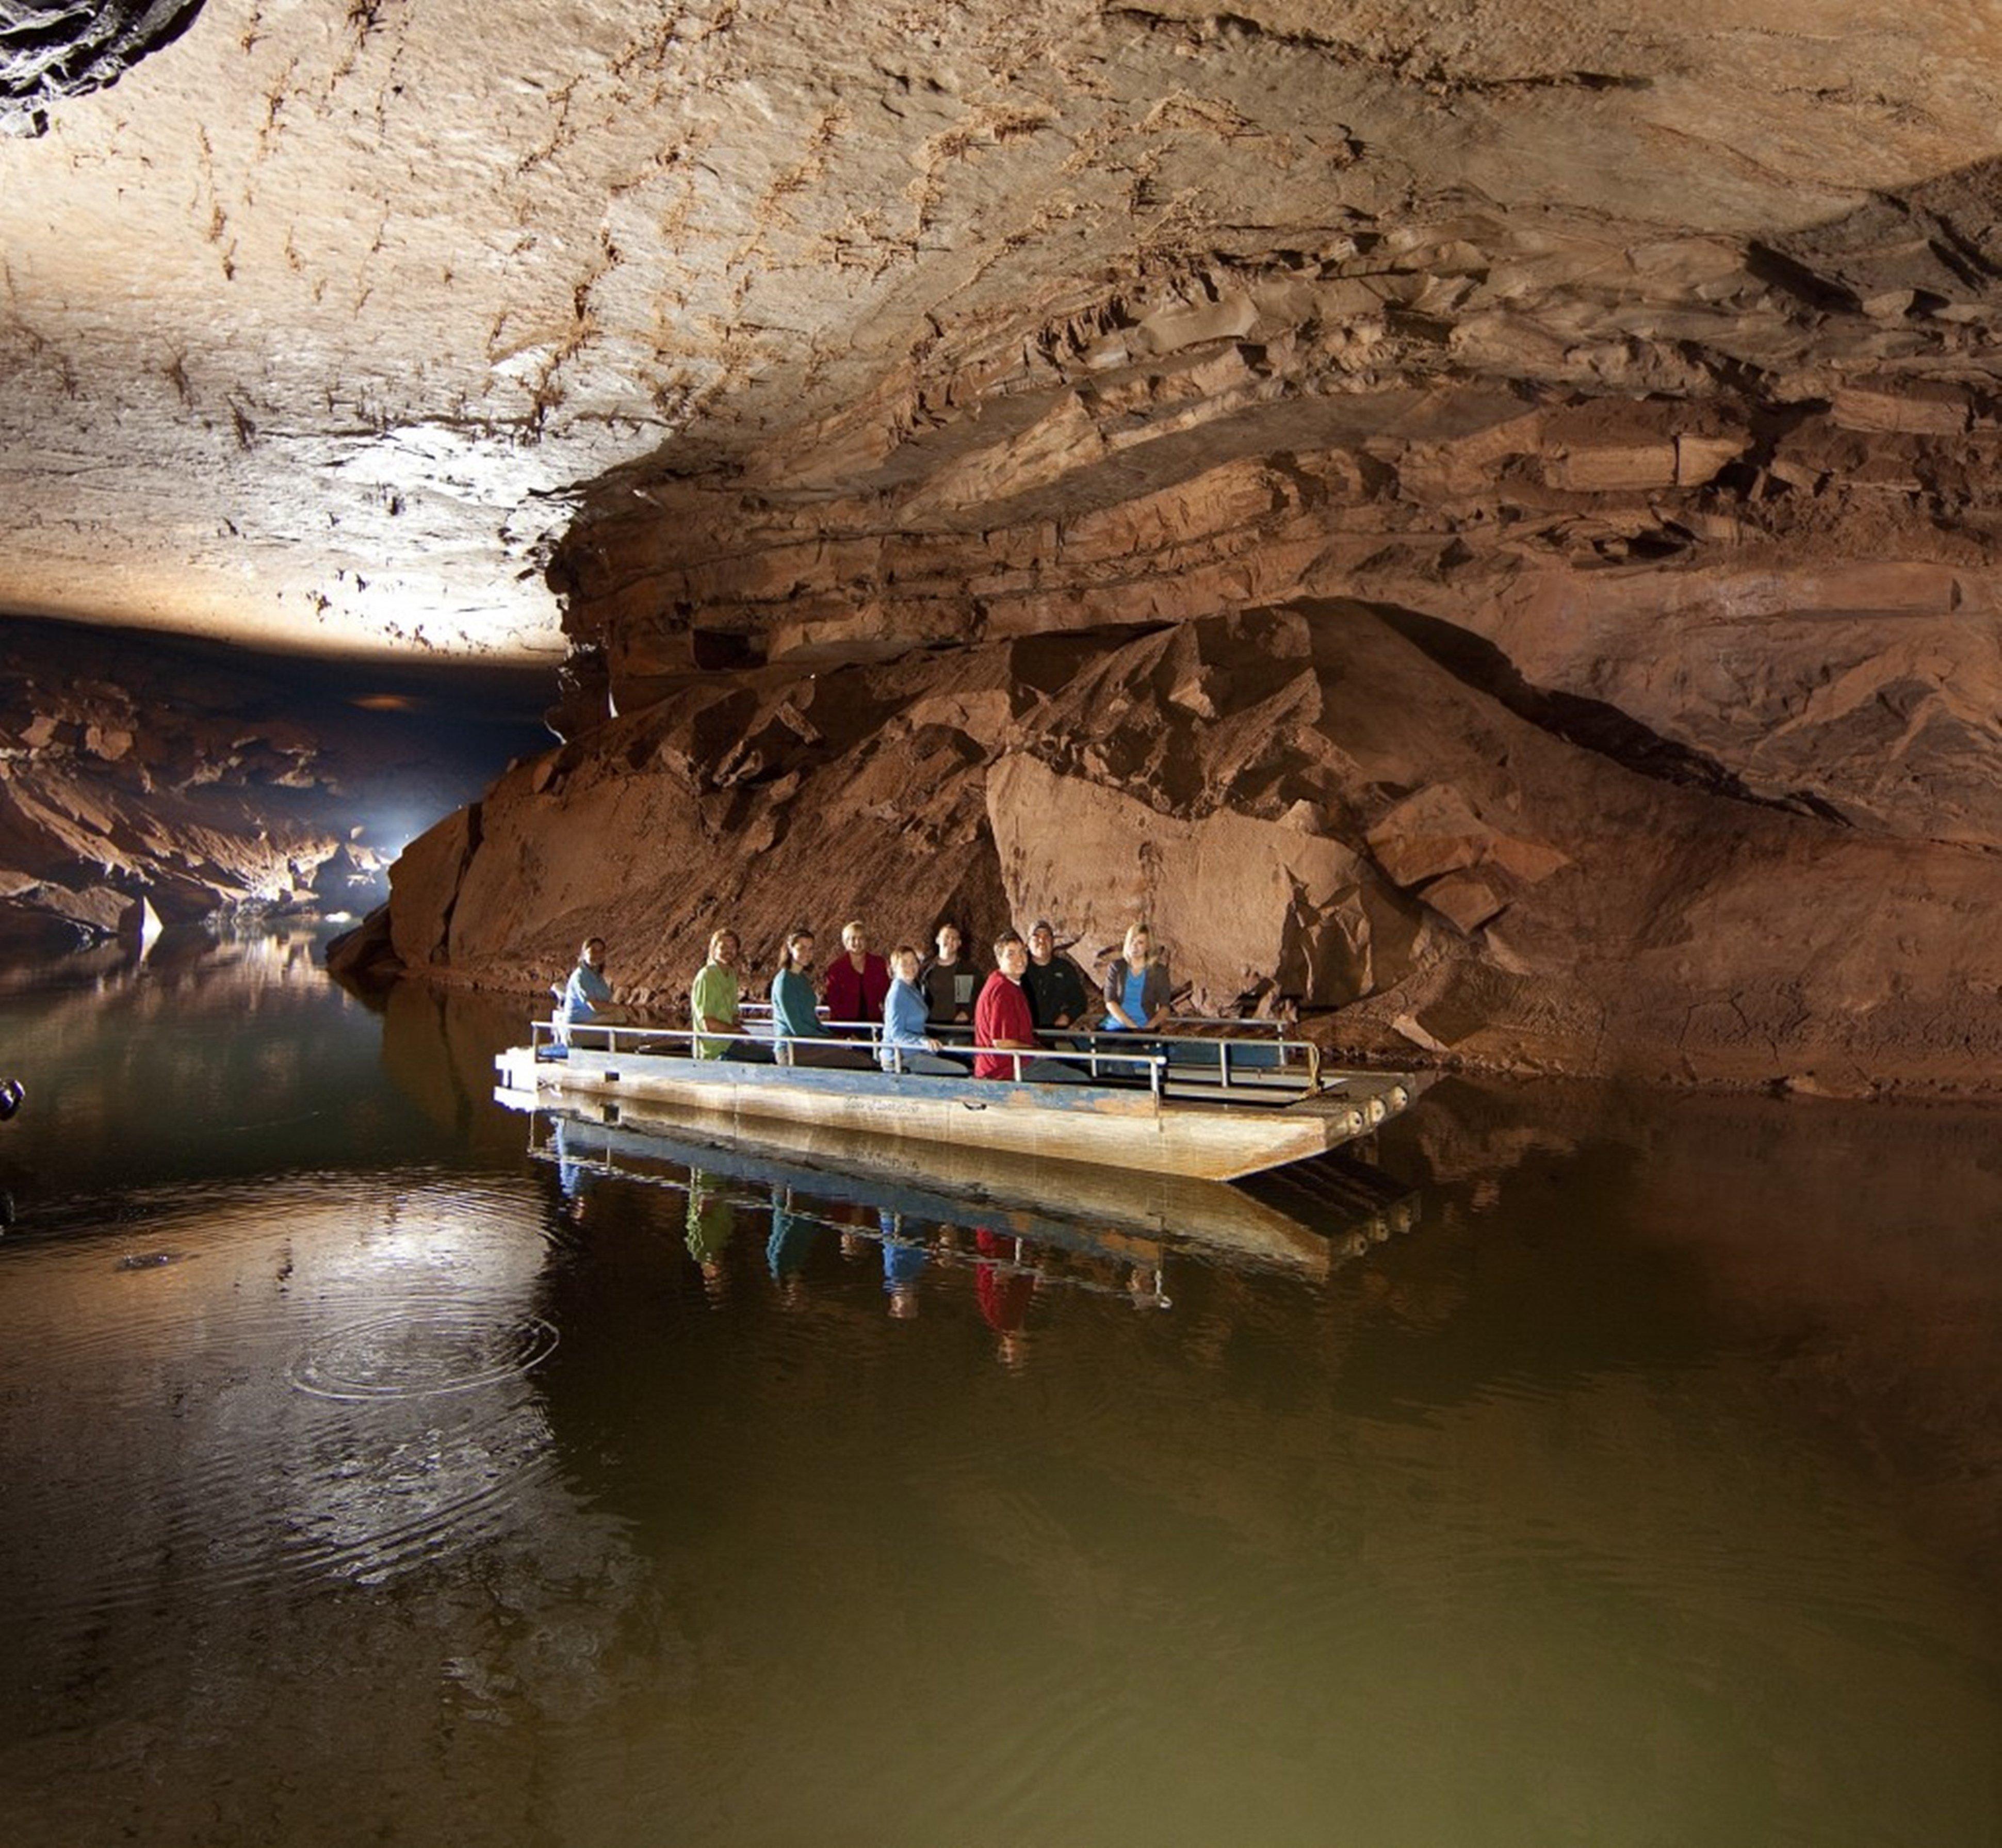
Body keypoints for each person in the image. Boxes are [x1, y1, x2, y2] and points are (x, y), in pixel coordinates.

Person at [973, 931, 1085, 1082]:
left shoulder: (1010, 984)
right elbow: (1003, 1042)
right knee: (1079, 1080)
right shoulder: (1002, 991)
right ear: (999, 959)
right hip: (1007, 1069)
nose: (1020, 959)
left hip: (1016, 1062)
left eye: (1022, 952)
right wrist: (1039, 1051)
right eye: (1011, 954)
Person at [771, 928, 869, 1068]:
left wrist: (836, 1037)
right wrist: (833, 1040)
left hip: (809, 1044)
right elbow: (798, 1027)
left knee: (861, 1054)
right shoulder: (784, 982)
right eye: (802, 948)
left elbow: (812, 1020)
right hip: (792, 1048)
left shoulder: (802, 979)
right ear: (790, 949)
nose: (807, 953)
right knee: (859, 1061)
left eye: (811, 949)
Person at [881, 944, 969, 1075]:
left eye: (913, 962)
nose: (910, 967)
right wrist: (924, 1041)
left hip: (918, 1050)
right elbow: (896, 1034)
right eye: (904, 964)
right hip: (902, 1057)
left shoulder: (912, 988)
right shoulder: (898, 992)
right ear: (894, 968)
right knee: (961, 1071)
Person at [690, 928, 769, 1060]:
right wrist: (737, 1031)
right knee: (772, 1057)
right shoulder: (707, 976)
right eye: (724, 946)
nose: (729, 950)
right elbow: (707, 1024)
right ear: (714, 949)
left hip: (731, 1041)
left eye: (733, 946)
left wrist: (739, 1032)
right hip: (715, 1048)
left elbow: (733, 1015)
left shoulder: (730, 975)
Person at [555, 935, 631, 1045]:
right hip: (579, 1028)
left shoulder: (597, 976)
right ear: (584, 954)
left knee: (621, 1019)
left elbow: (607, 1001)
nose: (598, 955)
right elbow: (595, 1007)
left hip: (592, 1023)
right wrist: (621, 1009)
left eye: (601, 952)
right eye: (593, 951)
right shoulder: (581, 976)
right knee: (620, 1018)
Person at [1100, 922, 1173, 1033]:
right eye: (1132, 941)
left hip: (1144, 1025)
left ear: (1148, 946)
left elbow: (1165, 1007)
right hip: (1117, 1025)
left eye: (1140, 942)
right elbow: (1110, 1001)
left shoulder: (1159, 972)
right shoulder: (1117, 967)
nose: (1134, 946)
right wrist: (1132, 1027)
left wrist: (1149, 1028)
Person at [822, 919, 890, 1033]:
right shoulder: (836, 968)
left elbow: (887, 993)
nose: (857, 942)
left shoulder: (879, 964)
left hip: (875, 1024)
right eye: (853, 938)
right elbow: (833, 1000)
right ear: (845, 942)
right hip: (845, 1027)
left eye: (861, 938)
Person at [1021, 919, 1090, 1033]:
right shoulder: (1021, 968)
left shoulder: (1064, 969)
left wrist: (1067, 1016)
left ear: (1053, 942)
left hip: (1054, 1032)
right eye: (1036, 937)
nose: (1042, 941)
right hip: (1024, 1032)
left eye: (1047, 937)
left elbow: (1080, 1001)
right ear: (1028, 943)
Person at [918, 921, 979, 1027]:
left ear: (959, 943)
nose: (950, 940)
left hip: (958, 1029)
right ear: (938, 940)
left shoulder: (969, 970)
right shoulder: (925, 970)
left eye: (954, 938)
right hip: (929, 1027)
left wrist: (968, 1012)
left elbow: (979, 994)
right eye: (946, 937)